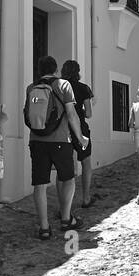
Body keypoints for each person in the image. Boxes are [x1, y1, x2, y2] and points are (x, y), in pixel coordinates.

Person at [26, 55, 86, 239]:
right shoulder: (64, 85)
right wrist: (80, 137)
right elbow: (72, 114)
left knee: (40, 184)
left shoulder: (31, 88)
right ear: (56, 69)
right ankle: (66, 219)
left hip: (37, 141)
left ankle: (44, 227)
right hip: (61, 141)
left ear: (39, 70)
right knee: (68, 179)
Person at [62, 59, 97, 208]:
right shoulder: (84, 88)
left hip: (63, 129)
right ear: (78, 72)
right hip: (81, 128)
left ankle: (64, 206)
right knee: (86, 162)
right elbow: (89, 114)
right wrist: (79, 111)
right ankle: (86, 198)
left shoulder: (60, 88)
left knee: (63, 165)